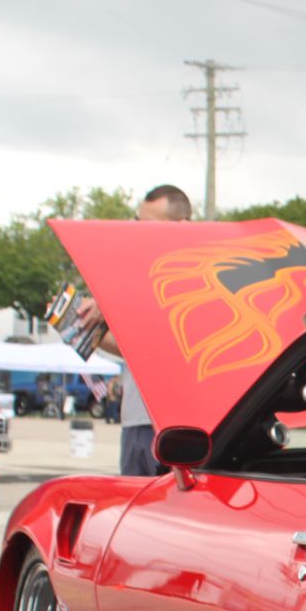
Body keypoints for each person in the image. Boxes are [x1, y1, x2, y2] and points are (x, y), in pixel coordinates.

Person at [80, 184, 192, 477]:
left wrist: (107, 306)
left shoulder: (191, 281)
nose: (139, 231)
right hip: (136, 418)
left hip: (177, 423)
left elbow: (160, 348)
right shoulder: (138, 274)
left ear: (181, 226)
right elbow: (133, 350)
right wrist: (83, 326)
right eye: (137, 222)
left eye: (148, 224)